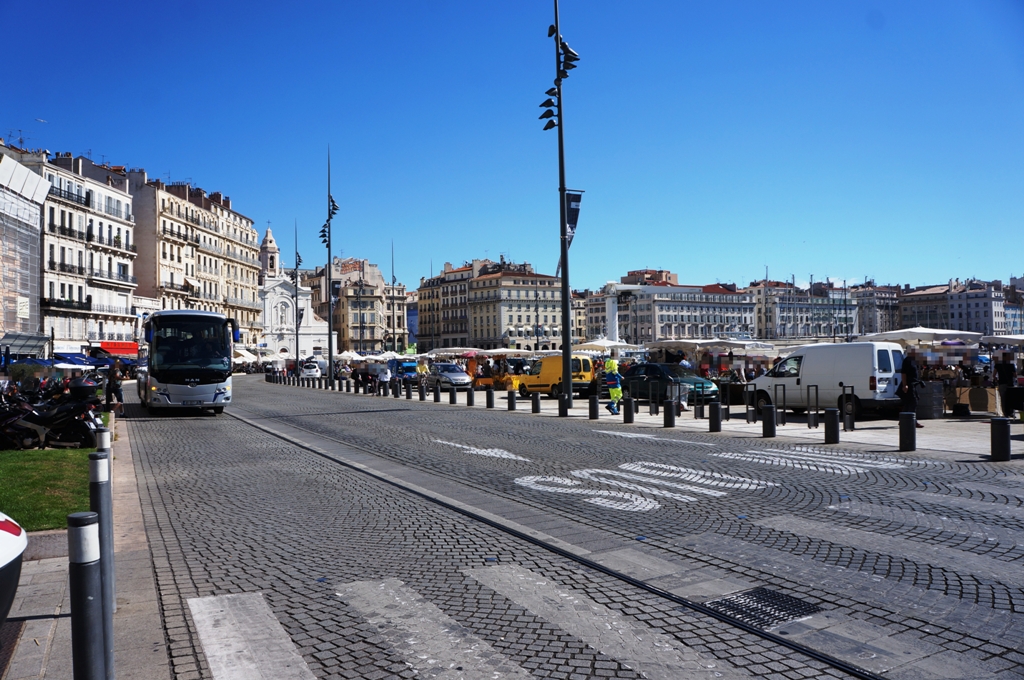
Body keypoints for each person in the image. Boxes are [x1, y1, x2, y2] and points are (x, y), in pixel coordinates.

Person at [899, 349, 924, 428]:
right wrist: (904, 385)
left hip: (914, 384)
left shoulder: (914, 361)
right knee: (914, 402)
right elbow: (903, 373)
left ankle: (902, 420)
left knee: (908, 402)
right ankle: (913, 421)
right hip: (909, 384)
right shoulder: (907, 360)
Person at [995, 352, 1018, 417]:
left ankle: (1005, 413)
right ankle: (1011, 413)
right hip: (1010, 384)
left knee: (1003, 399)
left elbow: (994, 375)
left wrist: (997, 380)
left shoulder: (998, 364)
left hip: (1001, 383)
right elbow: (1015, 375)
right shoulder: (1011, 364)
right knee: (1011, 398)